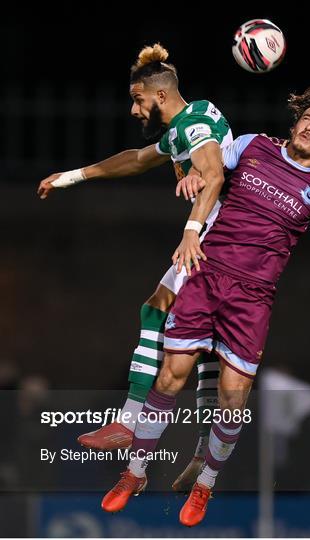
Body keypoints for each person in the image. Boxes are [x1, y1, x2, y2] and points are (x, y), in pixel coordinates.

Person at [100, 85, 310, 527]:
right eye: (307, 119)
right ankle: (135, 473)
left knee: (231, 398)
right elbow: (211, 169)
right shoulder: (251, 146)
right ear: (295, 122)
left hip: (253, 299)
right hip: (206, 275)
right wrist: (193, 175)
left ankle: (205, 485)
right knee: (170, 375)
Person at [37, 43, 233, 491]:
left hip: (216, 239)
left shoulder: (195, 125)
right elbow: (137, 159)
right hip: (219, 236)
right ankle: (201, 450)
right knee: (196, 338)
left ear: (159, 96)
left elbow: (215, 173)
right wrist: (73, 176)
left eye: (138, 98)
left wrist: (191, 229)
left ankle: (132, 425)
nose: (133, 108)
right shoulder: (191, 119)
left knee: (161, 315)